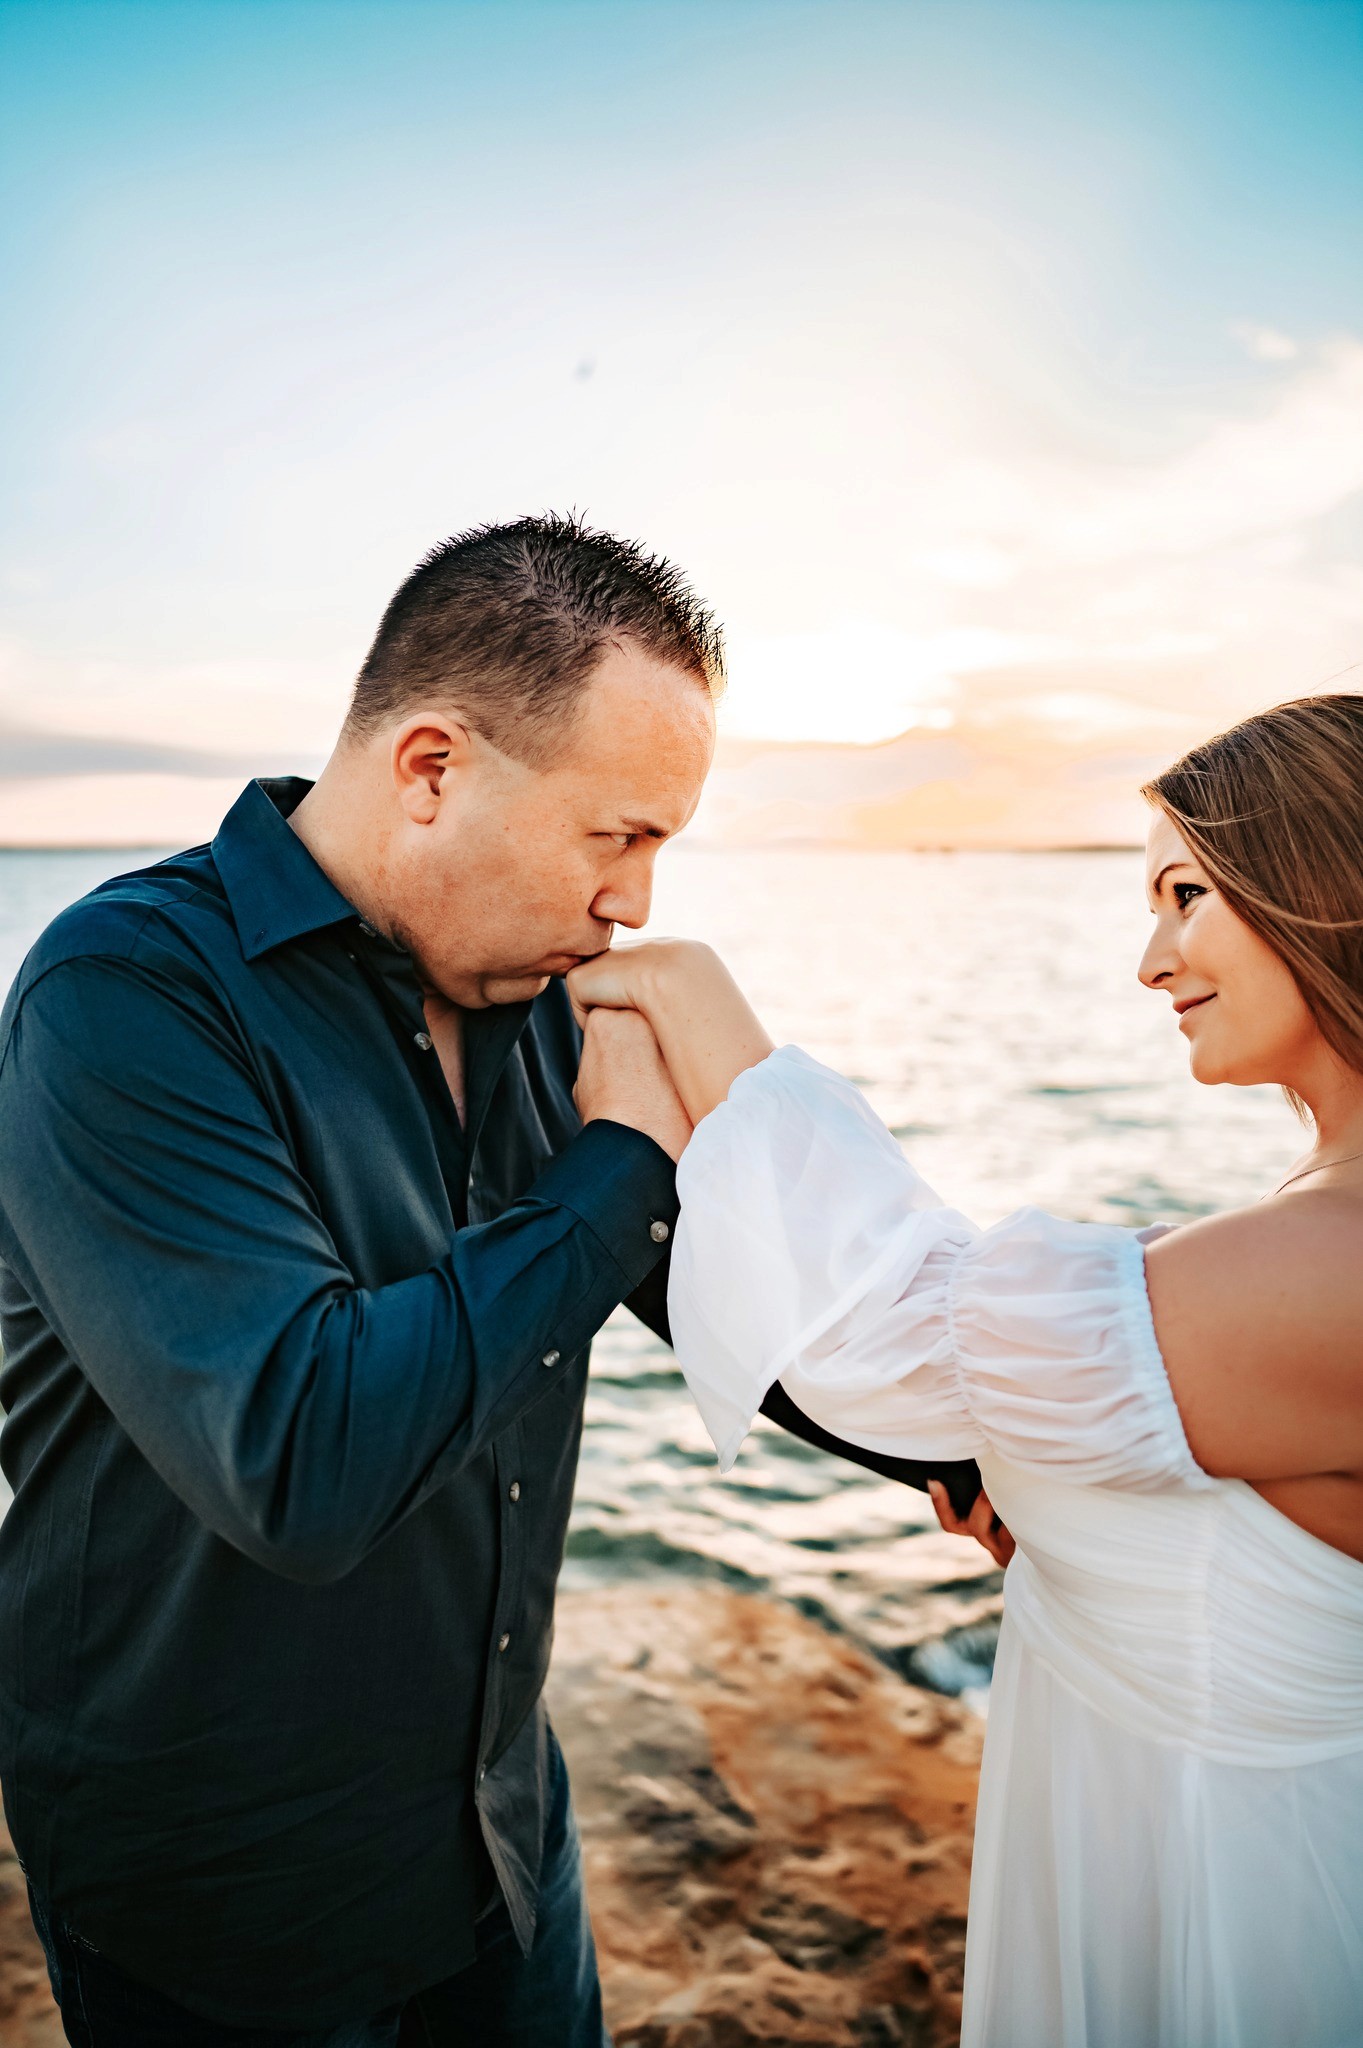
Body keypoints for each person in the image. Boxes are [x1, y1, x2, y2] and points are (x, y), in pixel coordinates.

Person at [0, 515, 977, 2048]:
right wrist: (622, 1163)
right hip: (227, 1901)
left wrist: (962, 1453)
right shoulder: (121, 1000)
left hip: (502, 1844)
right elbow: (301, 1456)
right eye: (620, 836)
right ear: (434, 769)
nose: (639, 906)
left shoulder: (530, 996)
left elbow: (716, 1286)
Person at [567, 692, 1363, 2048]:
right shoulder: (1303, 1224)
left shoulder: (1334, 1258)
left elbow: (894, 1333)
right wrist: (1092, 1525)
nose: (1151, 960)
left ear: (1325, 888)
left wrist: (696, 1013)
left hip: (1230, 1894)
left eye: (1186, 895)